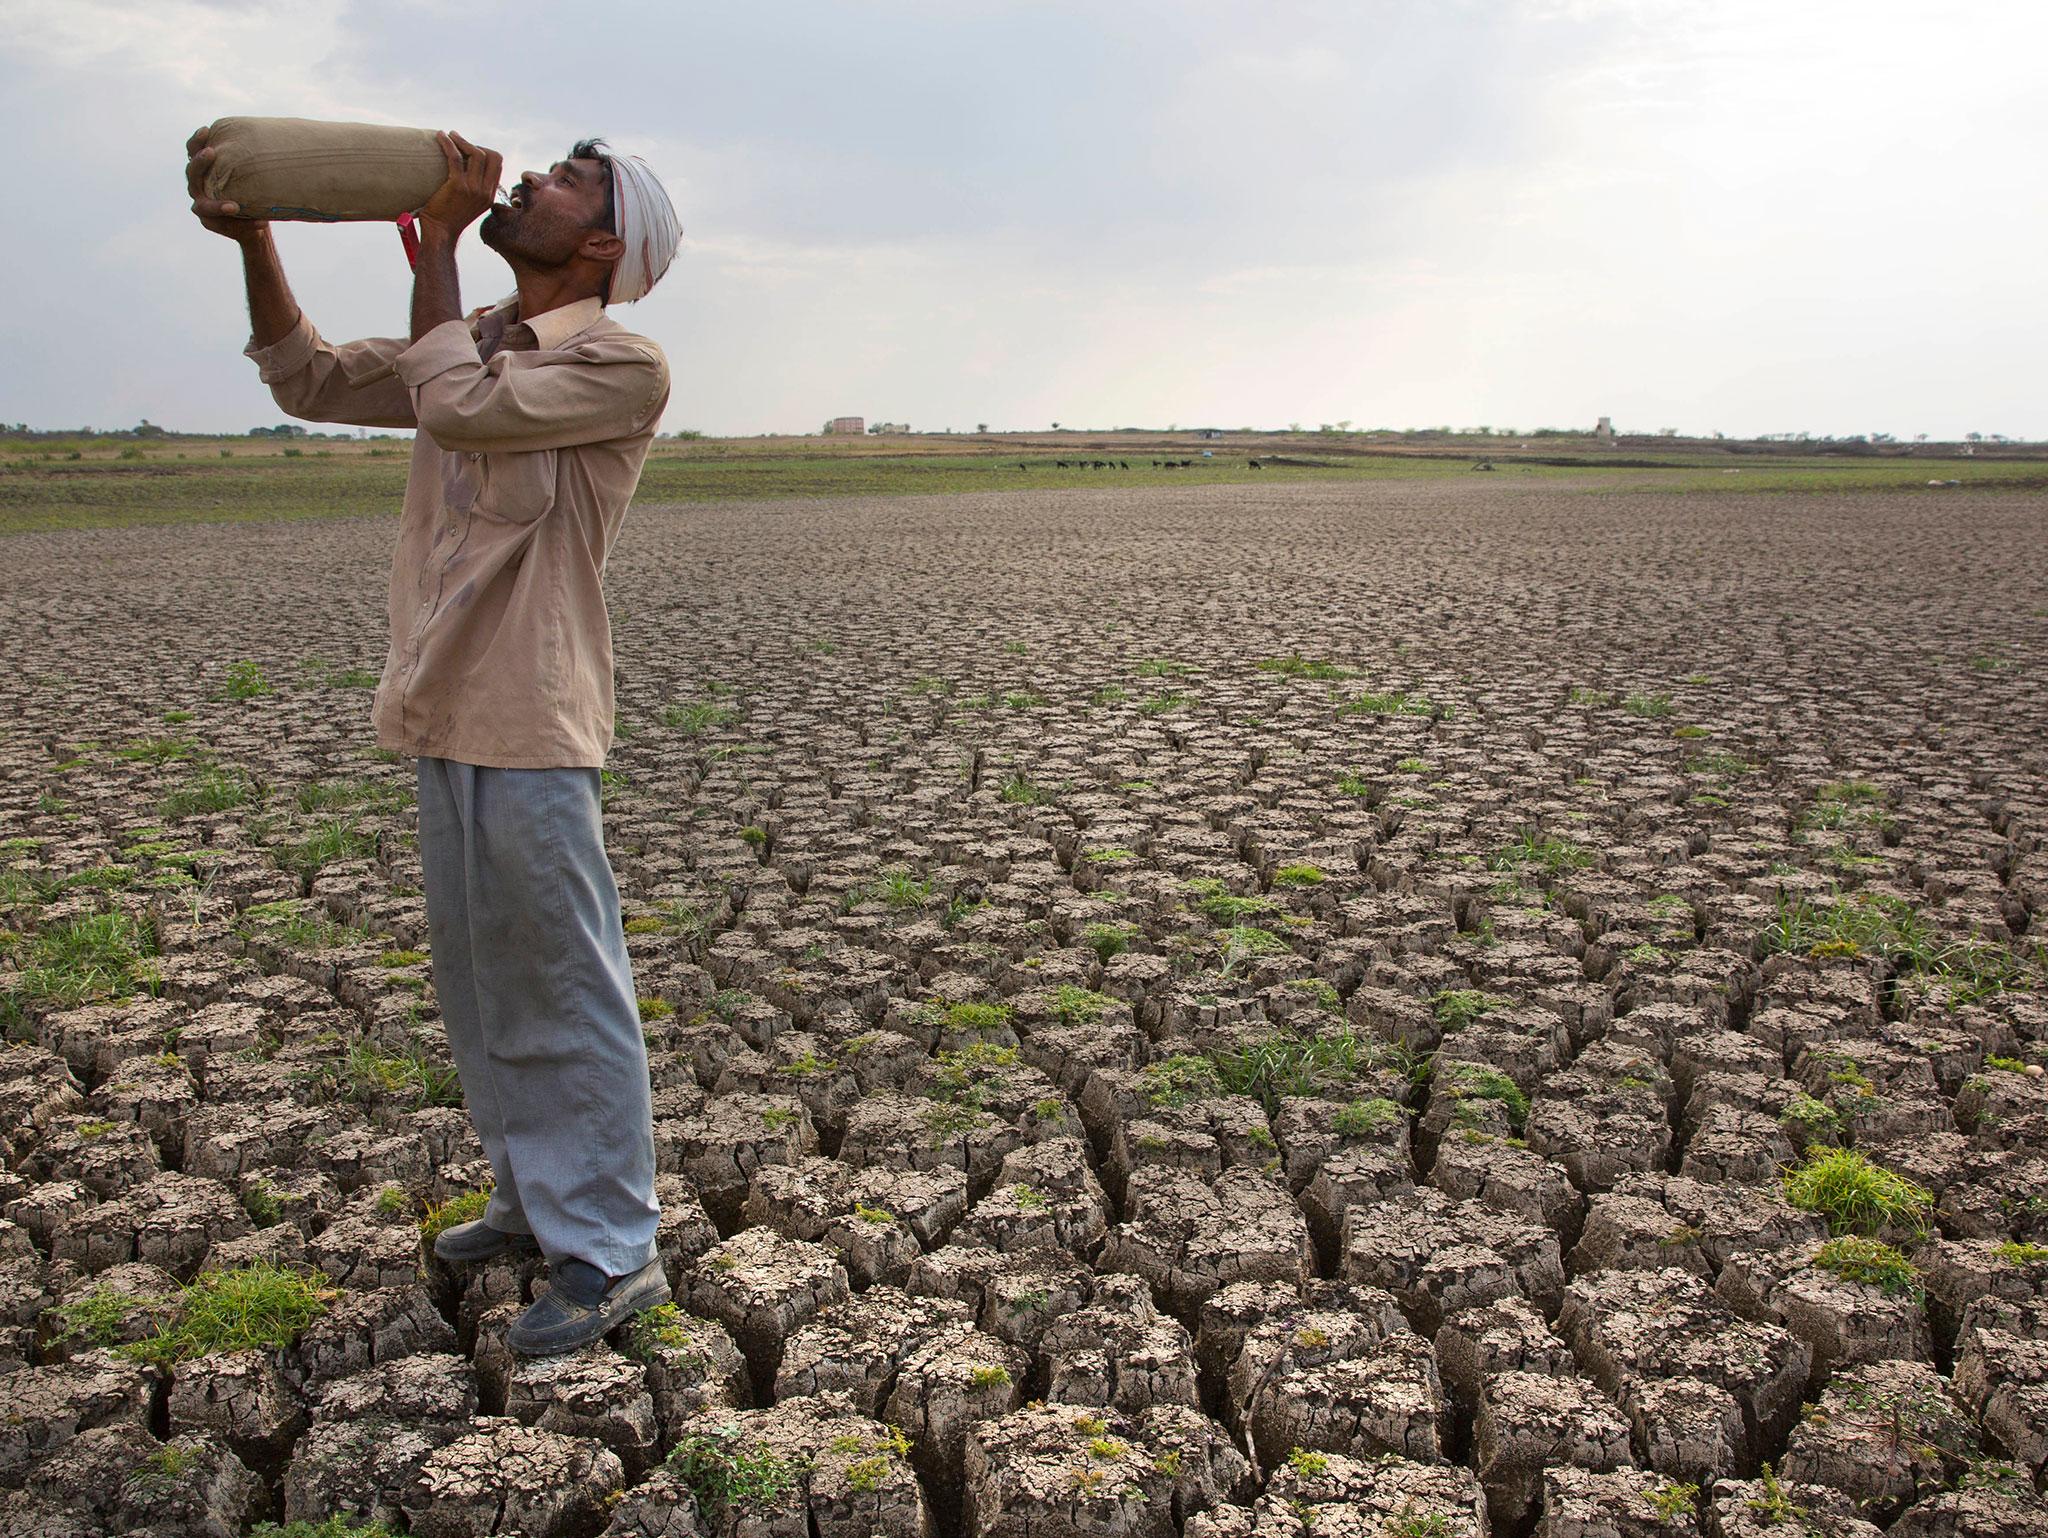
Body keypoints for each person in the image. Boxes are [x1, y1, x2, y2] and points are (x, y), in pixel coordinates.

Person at [186, 124, 683, 1355]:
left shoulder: (619, 363)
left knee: (565, 982)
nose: (527, 182)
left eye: (563, 181)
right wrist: (257, 237)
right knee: (482, 981)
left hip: (529, 708)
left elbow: (456, 408)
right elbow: (302, 376)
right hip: (444, 703)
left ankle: (614, 1251)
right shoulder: (474, 343)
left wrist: (445, 242)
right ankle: (530, 1202)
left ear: (603, 241)